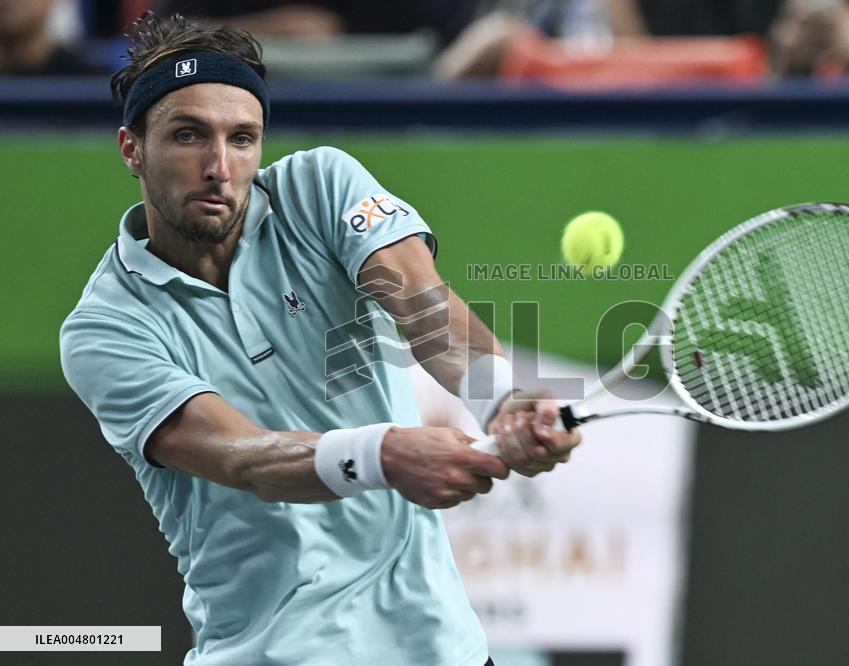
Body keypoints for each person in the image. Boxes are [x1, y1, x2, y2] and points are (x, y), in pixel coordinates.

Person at [59, 11, 579, 665]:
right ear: (132, 148)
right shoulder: (104, 328)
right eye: (188, 136)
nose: (219, 166)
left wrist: (501, 397)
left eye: (242, 138)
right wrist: (385, 455)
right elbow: (244, 458)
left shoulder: (320, 186)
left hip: (438, 647)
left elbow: (422, 304)